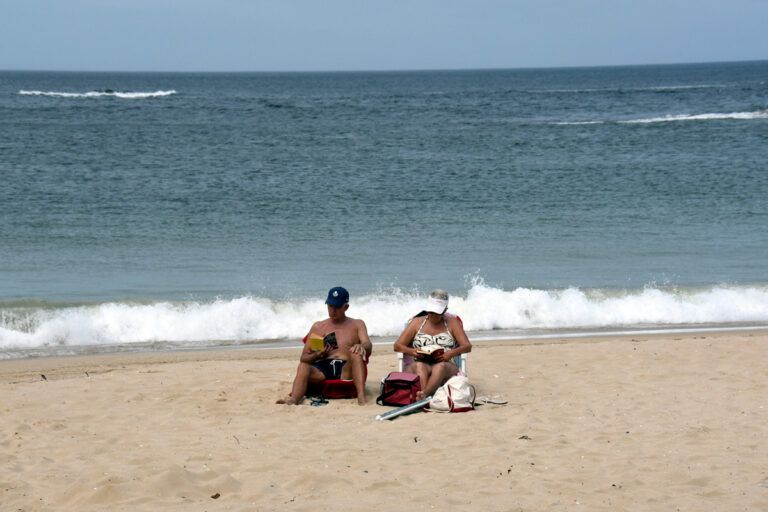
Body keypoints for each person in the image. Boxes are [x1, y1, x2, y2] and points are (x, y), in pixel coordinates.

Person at [277, 286, 372, 405]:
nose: (333, 310)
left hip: (346, 369)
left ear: (346, 307)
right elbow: (304, 358)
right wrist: (317, 354)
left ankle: (361, 398)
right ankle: (294, 399)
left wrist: (362, 346)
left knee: (356, 352)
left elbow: (368, 344)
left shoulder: (357, 324)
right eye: (330, 306)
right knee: (303, 366)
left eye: (337, 307)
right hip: (322, 369)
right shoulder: (319, 327)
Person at [393, 289, 472, 400]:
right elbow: (397, 345)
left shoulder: (452, 322)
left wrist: (450, 353)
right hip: (419, 362)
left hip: (445, 363)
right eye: (431, 312)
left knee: (441, 366)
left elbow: (467, 346)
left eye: (437, 313)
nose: (433, 315)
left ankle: (424, 395)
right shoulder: (417, 322)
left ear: (445, 310)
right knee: (420, 366)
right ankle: (425, 396)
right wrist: (412, 351)